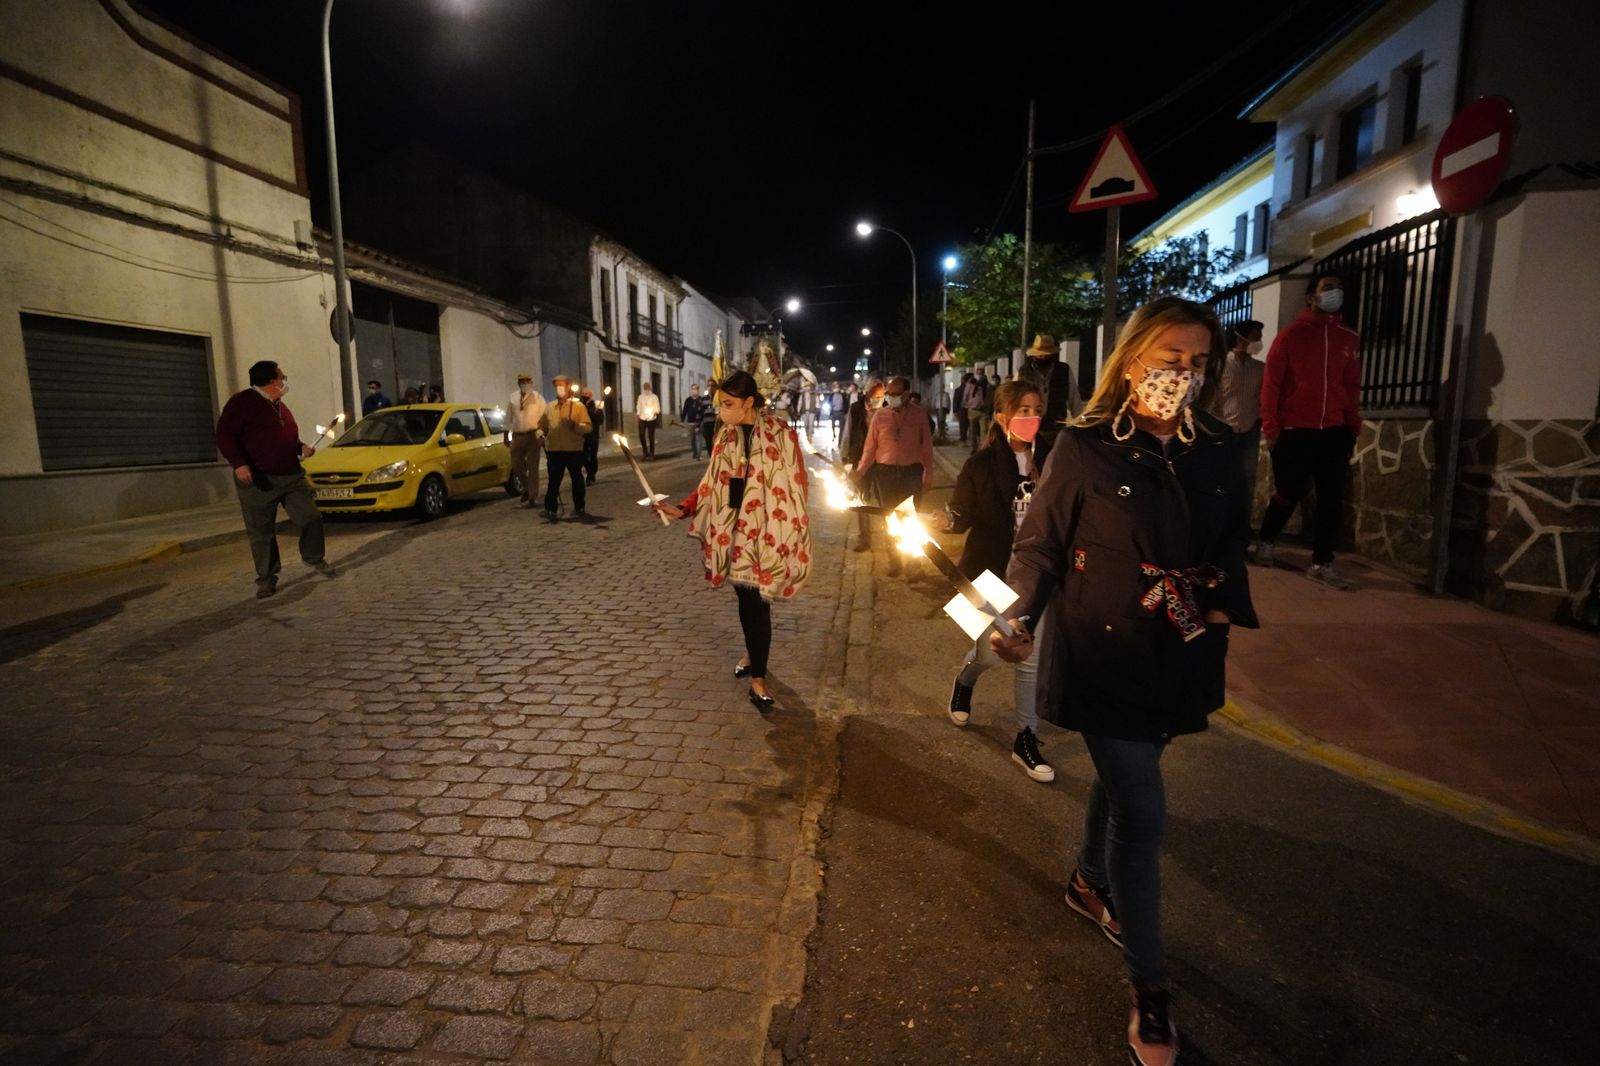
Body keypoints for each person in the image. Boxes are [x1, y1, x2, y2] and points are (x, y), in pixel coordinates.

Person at [991, 296, 1256, 1066]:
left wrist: (1220, 606)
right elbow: (1038, 548)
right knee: (1142, 811)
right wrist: (1015, 618)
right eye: (1170, 359)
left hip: (1180, 651)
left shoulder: (1218, 445)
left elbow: (1231, 542)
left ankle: (1086, 880)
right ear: (1132, 359)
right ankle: (1149, 986)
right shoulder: (1085, 447)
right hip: (1103, 650)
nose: (1183, 374)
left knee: (1128, 772)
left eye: (1198, 362)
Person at [652, 371, 811, 712]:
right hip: (733, 527)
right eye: (720, 404)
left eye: (728, 404)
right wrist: (683, 508)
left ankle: (759, 678)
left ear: (749, 402)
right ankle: (754, 650)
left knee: (757, 601)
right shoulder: (723, 435)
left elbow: (798, 481)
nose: (722, 410)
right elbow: (710, 479)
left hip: (769, 527)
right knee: (745, 597)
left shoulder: (782, 435)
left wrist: (793, 525)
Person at [936, 380, 1054, 783]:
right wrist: (944, 519)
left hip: (1035, 577)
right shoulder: (981, 465)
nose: (1031, 417)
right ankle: (963, 681)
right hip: (988, 572)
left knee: (1029, 656)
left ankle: (1026, 737)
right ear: (1002, 417)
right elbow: (961, 514)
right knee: (987, 655)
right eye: (1022, 410)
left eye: (1036, 409)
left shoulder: (1055, 460)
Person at [1257, 273, 1361, 587]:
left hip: (1335, 431)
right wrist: (1271, 426)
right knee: (1289, 491)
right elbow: (1271, 384)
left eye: (1340, 287)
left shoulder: (1349, 338)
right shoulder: (1290, 336)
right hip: (1294, 430)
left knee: (1332, 498)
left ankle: (1321, 563)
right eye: (1328, 287)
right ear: (1310, 297)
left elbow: (1351, 383)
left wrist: (1352, 422)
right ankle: (1266, 541)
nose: (1336, 292)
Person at [214, 360, 337, 599]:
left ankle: (314, 557)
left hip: (291, 476)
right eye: (282, 375)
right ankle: (266, 578)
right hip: (259, 480)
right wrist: (239, 463)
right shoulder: (242, 403)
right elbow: (225, 435)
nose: (285, 378)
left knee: (311, 516)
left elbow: (285, 437)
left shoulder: (279, 404)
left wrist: (300, 447)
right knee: (261, 531)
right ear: (272, 381)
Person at [854, 375, 934, 578]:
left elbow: (926, 447)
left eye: (896, 394)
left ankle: (914, 565)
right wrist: (860, 471)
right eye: (890, 394)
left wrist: (928, 474)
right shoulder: (880, 416)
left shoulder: (919, 415)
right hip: (885, 474)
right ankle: (894, 561)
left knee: (912, 519)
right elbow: (870, 447)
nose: (892, 397)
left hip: (911, 473)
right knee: (889, 518)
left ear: (907, 393)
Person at [1207, 321, 1266, 491]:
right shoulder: (1220, 366)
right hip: (1224, 430)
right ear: (1241, 339)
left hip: (1250, 431)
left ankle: (1242, 516)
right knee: (1222, 476)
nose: (1259, 343)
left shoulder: (1260, 369)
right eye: (1256, 338)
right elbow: (1210, 400)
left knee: (1247, 478)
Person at [1017, 333, 1082, 466]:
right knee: (1031, 465)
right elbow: (1014, 398)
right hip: (1030, 428)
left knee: (1055, 466)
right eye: (1040, 354)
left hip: (1056, 428)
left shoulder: (1063, 370)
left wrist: (1080, 425)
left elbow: (1074, 398)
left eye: (1047, 354)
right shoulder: (1023, 372)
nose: (1043, 357)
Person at [537, 375, 592, 520]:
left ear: (568, 387)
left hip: (573, 449)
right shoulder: (550, 407)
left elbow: (588, 427)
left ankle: (579, 507)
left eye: (561, 384)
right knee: (553, 481)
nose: (558, 388)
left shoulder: (578, 406)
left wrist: (576, 426)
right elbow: (542, 426)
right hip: (555, 450)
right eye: (556, 385)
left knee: (577, 479)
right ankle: (550, 509)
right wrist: (540, 435)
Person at [842, 378, 885, 552]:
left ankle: (890, 538)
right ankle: (864, 538)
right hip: (859, 459)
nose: (878, 399)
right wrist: (846, 458)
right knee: (862, 500)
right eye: (875, 395)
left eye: (881, 396)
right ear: (867, 393)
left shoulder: (888, 407)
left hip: (883, 462)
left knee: (885, 501)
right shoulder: (856, 408)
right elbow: (848, 433)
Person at [508, 373, 546, 507]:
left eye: (527, 381)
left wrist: (542, 435)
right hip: (517, 435)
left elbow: (543, 418)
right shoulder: (513, 397)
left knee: (533, 467)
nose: (525, 384)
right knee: (516, 466)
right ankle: (527, 488)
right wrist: (505, 434)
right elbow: (509, 417)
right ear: (518, 383)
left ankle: (533, 496)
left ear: (531, 382)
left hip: (533, 435)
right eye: (522, 381)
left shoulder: (538, 398)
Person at [962, 368, 992, 454]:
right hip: (973, 410)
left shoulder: (987, 385)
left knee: (984, 431)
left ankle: (983, 449)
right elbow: (966, 396)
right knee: (973, 430)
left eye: (981, 374)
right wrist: (967, 405)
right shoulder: (970, 384)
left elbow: (990, 396)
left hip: (983, 411)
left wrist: (987, 405)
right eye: (978, 374)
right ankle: (973, 447)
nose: (980, 375)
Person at [579, 386, 602, 485]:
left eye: (586, 394)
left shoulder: (596, 405)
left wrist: (592, 413)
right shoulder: (578, 405)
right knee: (583, 456)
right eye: (583, 394)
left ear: (590, 395)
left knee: (592, 455)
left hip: (593, 434)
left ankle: (591, 475)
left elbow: (600, 419)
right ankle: (588, 471)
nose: (585, 396)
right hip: (581, 435)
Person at [681, 383, 709, 461]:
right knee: (692, 440)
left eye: (695, 389)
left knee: (698, 439)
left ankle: (698, 455)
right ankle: (695, 453)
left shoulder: (701, 400)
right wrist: (683, 420)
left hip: (699, 422)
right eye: (693, 389)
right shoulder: (688, 400)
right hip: (690, 422)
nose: (694, 391)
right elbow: (684, 410)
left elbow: (703, 411)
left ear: (698, 390)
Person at [635, 381, 661, 459]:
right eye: (645, 388)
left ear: (650, 388)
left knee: (651, 436)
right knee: (641, 435)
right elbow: (638, 406)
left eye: (647, 388)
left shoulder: (654, 397)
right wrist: (638, 415)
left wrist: (655, 412)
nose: (646, 390)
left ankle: (652, 453)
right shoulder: (640, 397)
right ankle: (645, 452)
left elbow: (657, 407)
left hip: (651, 418)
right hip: (643, 418)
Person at [955, 372, 973, 443]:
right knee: (963, 424)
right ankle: (963, 437)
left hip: (971, 408)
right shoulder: (959, 389)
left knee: (969, 424)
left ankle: (968, 437)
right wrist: (955, 410)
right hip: (962, 409)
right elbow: (956, 400)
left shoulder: (974, 387)